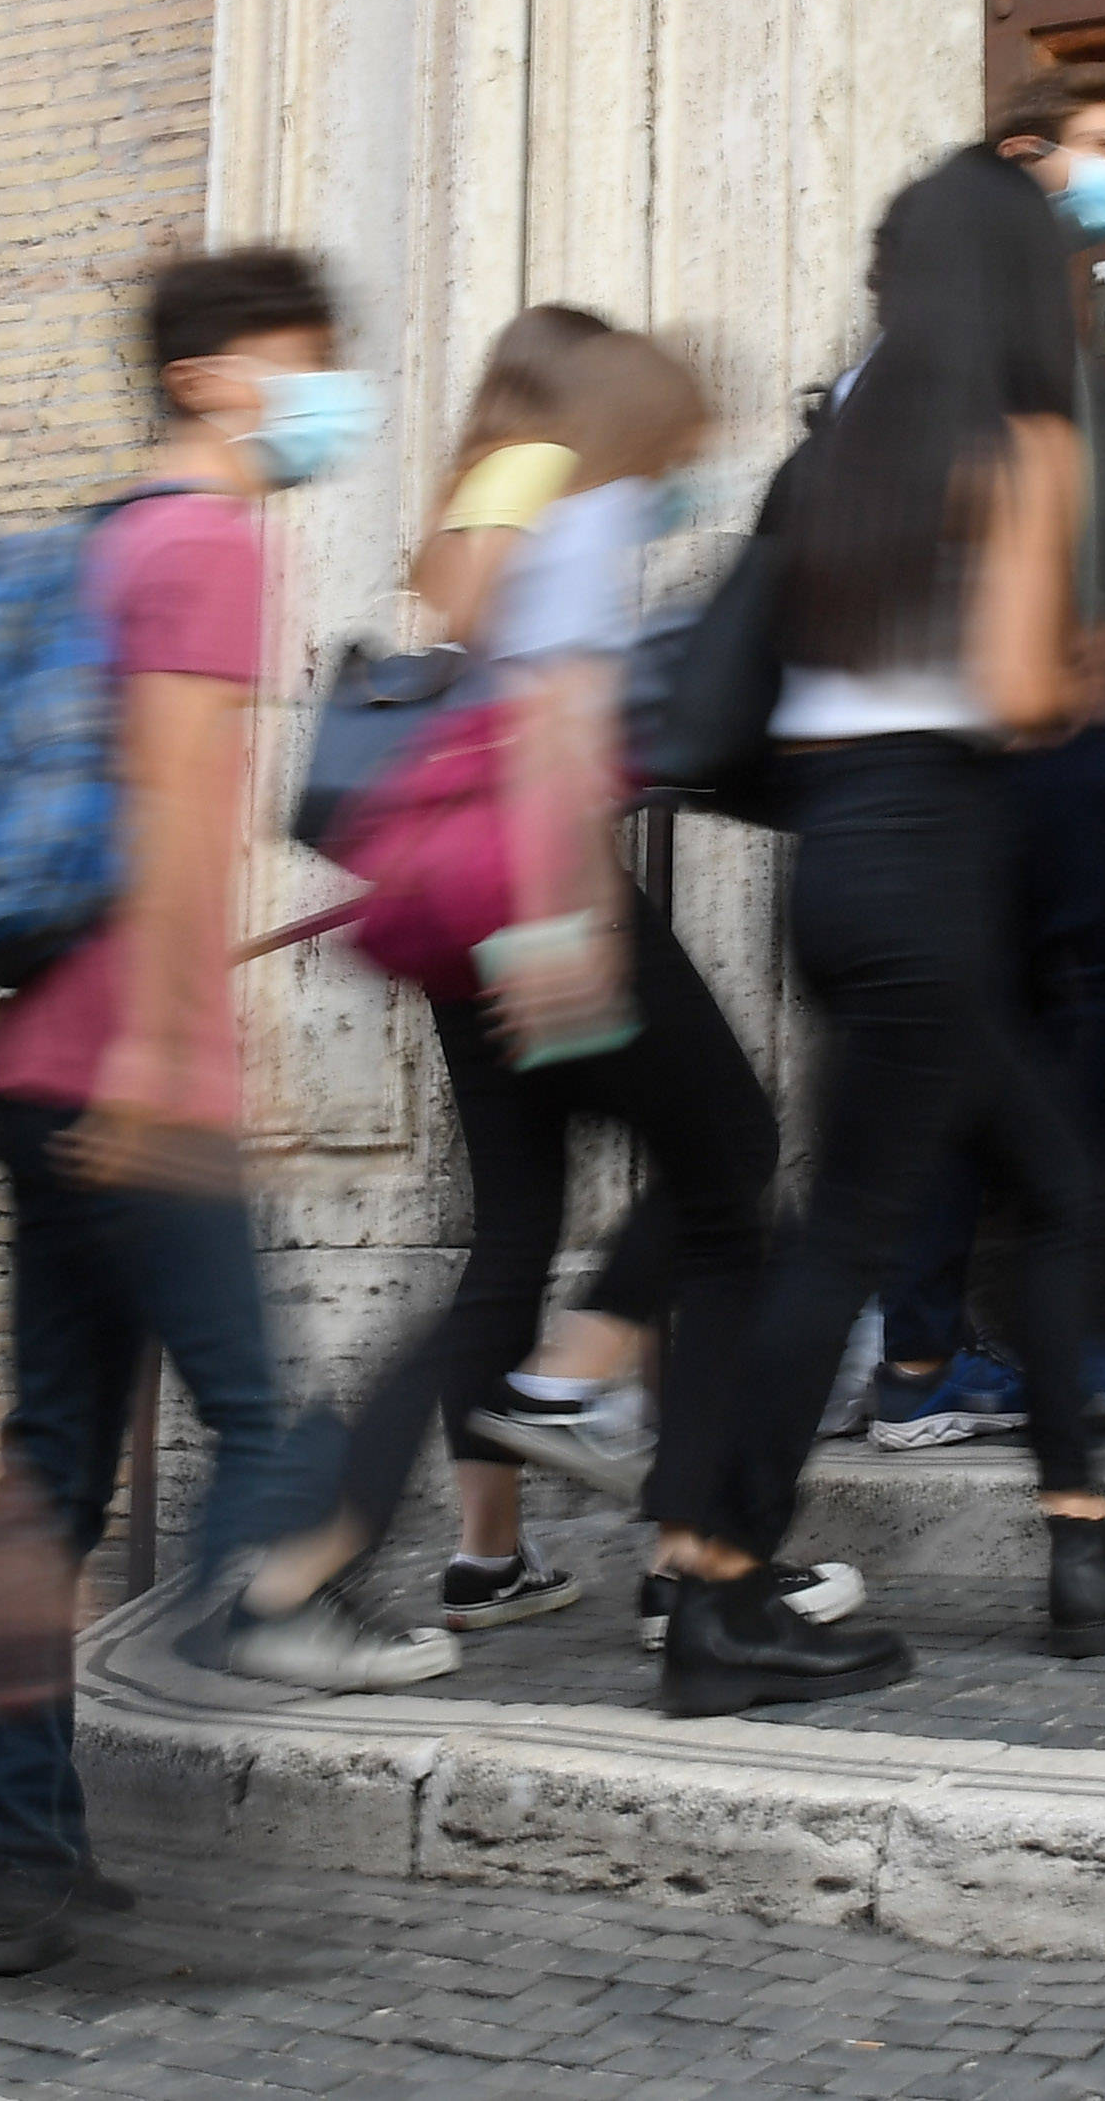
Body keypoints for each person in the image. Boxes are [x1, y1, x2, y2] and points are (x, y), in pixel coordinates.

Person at [660, 151, 1105, 1707]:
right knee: (847, 1230)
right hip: (932, 870)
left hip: (837, 867)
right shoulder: (1020, 439)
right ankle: (716, 1578)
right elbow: (1019, 692)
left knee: (1040, 1181)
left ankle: (1087, 1540)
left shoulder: (846, 445)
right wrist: (1090, 669)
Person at [0, 247, 451, 1980]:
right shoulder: (207, 544)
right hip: (122, 1067)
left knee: (49, 1483)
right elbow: (176, 828)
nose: (328, 394)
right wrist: (175, 1068)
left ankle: (25, 1853)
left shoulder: (111, 536)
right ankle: (279, 1600)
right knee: (266, 1415)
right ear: (207, 376)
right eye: (298, 360)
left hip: (35, 1058)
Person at [246, 326, 810, 1662]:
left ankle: (303, 1570)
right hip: (547, 900)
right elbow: (557, 709)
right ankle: (685, 1539)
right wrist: (574, 921)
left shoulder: (498, 488)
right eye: (682, 446)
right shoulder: (576, 496)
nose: (687, 473)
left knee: (510, 1242)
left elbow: (453, 612)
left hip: (468, 925)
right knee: (734, 1161)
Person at [866, 66, 1105, 1442]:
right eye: (1101, 147)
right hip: (985, 755)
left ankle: (956, 1360)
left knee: (1030, 1034)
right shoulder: (967, 345)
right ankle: (966, 1363)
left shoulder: (1060, 317)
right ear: (1021, 159)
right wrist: (1058, 666)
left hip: (1023, 751)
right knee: (1000, 1049)